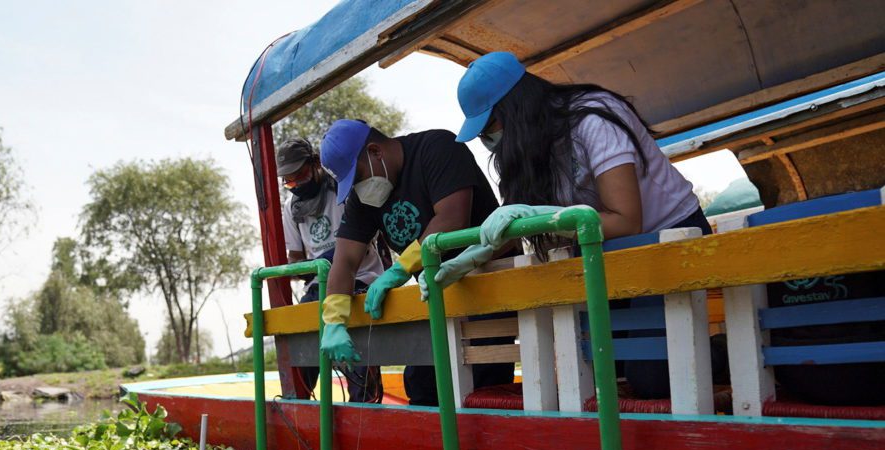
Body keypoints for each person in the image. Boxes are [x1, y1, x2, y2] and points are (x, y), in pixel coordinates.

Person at [441, 52, 712, 400]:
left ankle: (719, 351)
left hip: (667, 240)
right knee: (598, 369)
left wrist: (546, 218)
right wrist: (470, 257)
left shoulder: (593, 117)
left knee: (652, 378)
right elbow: (511, 222)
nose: (488, 140)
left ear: (515, 109)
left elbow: (627, 220)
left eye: (489, 126)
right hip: (608, 255)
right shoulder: (532, 150)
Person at [317, 119, 514, 406]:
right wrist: (334, 320)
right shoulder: (365, 198)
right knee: (423, 388)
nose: (359, 189)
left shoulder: (437, 147)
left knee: (484, 389)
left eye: (357, 178)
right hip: (434, 292)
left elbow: (452, 219)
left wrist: (399, 269)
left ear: (375, 151)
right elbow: (345, 260)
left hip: (486, 280)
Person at [277, 138, 384, 403]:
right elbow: (296, 257)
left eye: (300, 175)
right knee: (301, 354)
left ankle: (365, 411)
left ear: (315, 164)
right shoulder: (291, 208)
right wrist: (306, 268)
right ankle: (301, 409)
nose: (296, 184)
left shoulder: (342, 189)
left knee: (359, 364)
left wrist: (331, 258)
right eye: (289, 181)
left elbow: (362, 239)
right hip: (318, 286)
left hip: (359, 281)